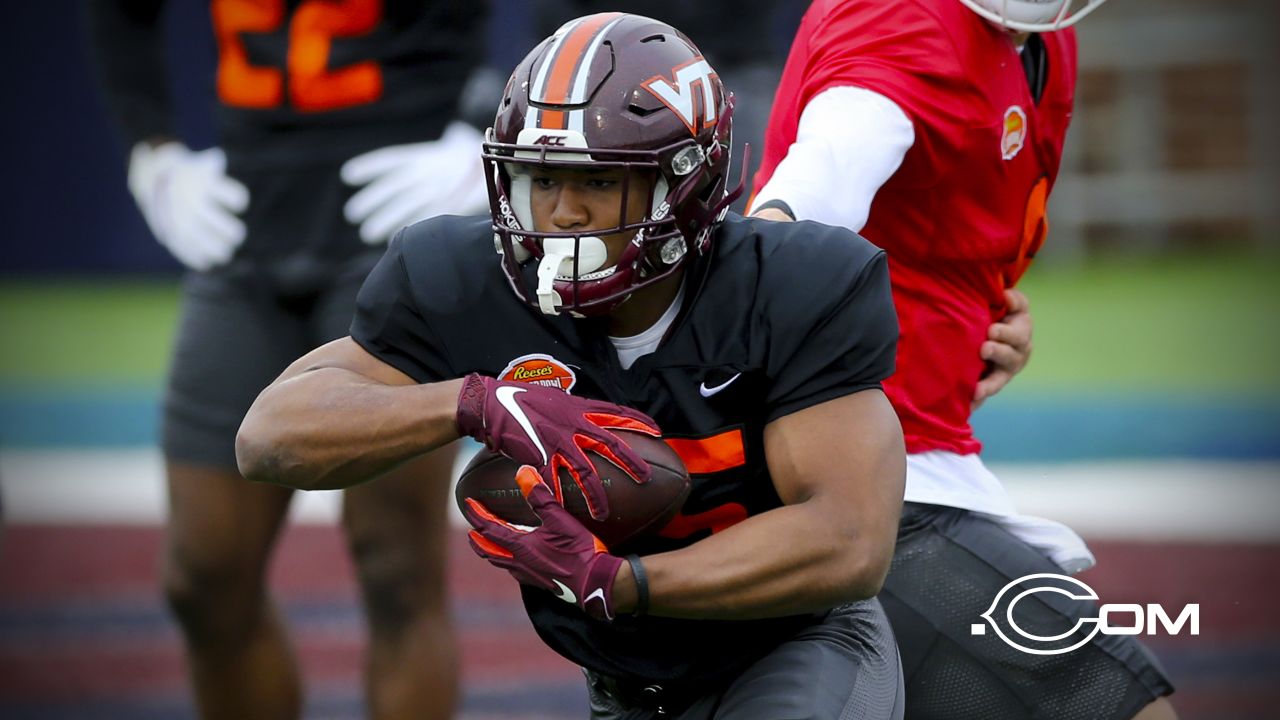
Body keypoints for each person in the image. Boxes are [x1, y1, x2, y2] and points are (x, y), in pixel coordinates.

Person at [237, 13, 907, 719]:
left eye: (597, 183)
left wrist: (621, 583)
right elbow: (269, 437)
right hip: (623, 682)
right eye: (539, 179)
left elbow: (846, 542)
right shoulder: (461, 276)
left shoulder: (793, 285)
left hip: (794, 650)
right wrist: (475, 403)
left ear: (685, 180)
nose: (559, 214)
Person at [748, 1, 1177, 718]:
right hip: (869, 489)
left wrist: (978, 315)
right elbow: (798, 214)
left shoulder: (1041, 37)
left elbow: (940, 228)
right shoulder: (900, 19)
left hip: (910, 461)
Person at [85, 1, 490, 717]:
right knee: (203, 576)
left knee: (397, 570)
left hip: (393, 212)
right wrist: (150, 147)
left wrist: (483, 123)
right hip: (248, 216)